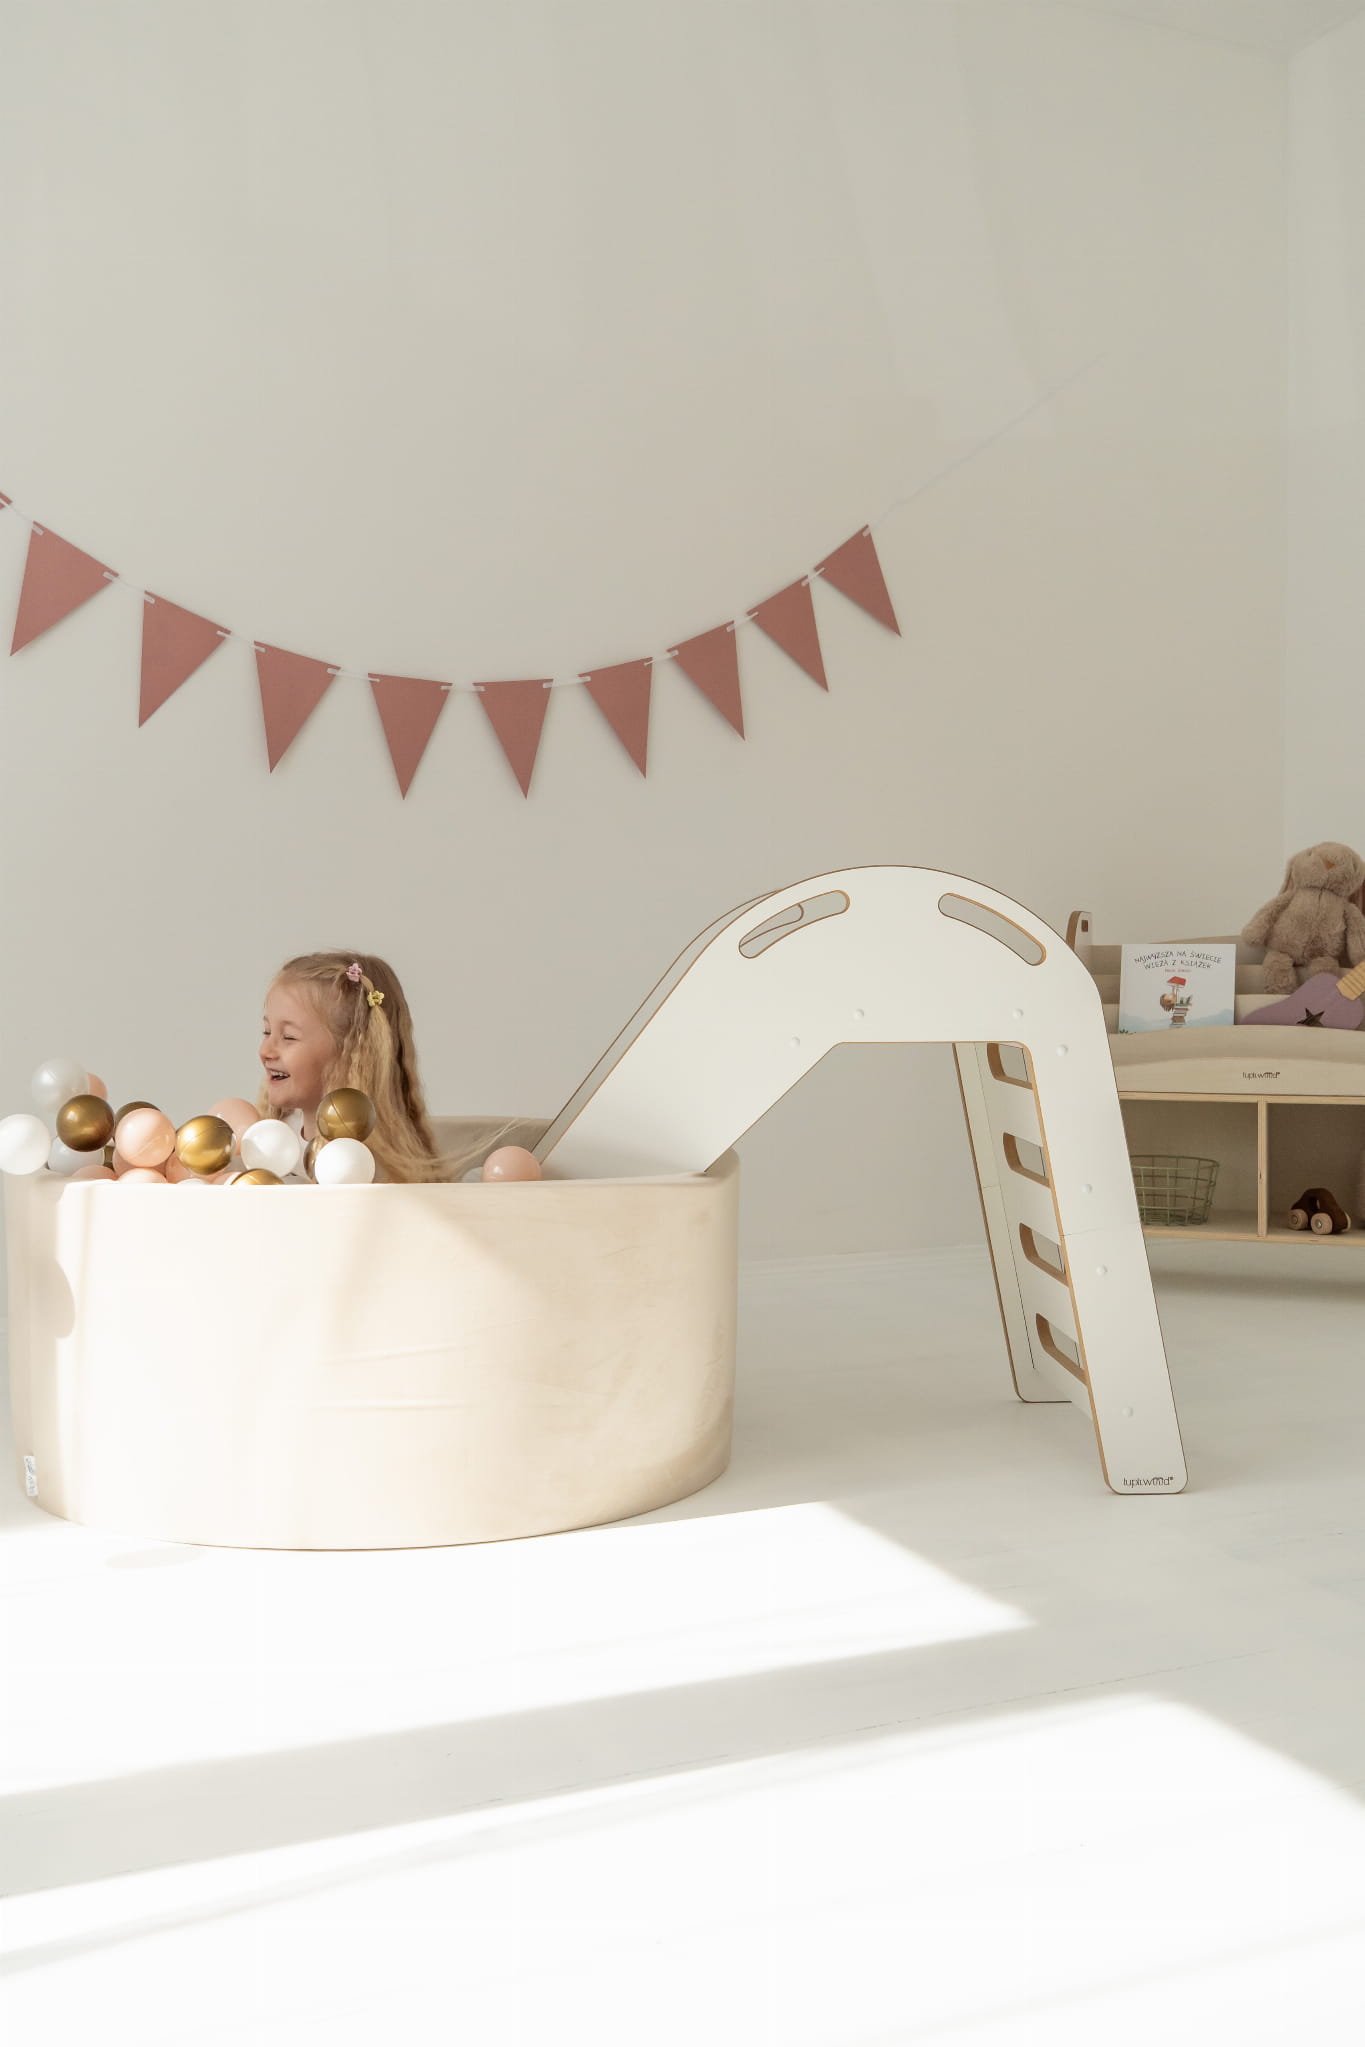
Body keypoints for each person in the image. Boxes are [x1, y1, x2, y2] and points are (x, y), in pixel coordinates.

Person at [258, 951, 447, 1183]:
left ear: (351, 1054)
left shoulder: (369, 1165)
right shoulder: (266, 1141)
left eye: (289, 1037)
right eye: (267, 1032)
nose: (265, 1051)